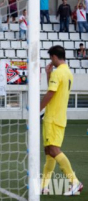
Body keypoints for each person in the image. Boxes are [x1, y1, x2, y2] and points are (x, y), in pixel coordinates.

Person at [40, 46, 83, 196]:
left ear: (54, 56)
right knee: (49, 151)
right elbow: (53, 89)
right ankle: (44, 186)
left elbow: (51, 93)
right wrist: (48, 74)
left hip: (53, 118)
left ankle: (75, 182)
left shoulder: (59, 73)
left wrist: (36, 109)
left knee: (52, 150)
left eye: (51, 57)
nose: (51, 60)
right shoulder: (67, 72)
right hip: (58, 117)